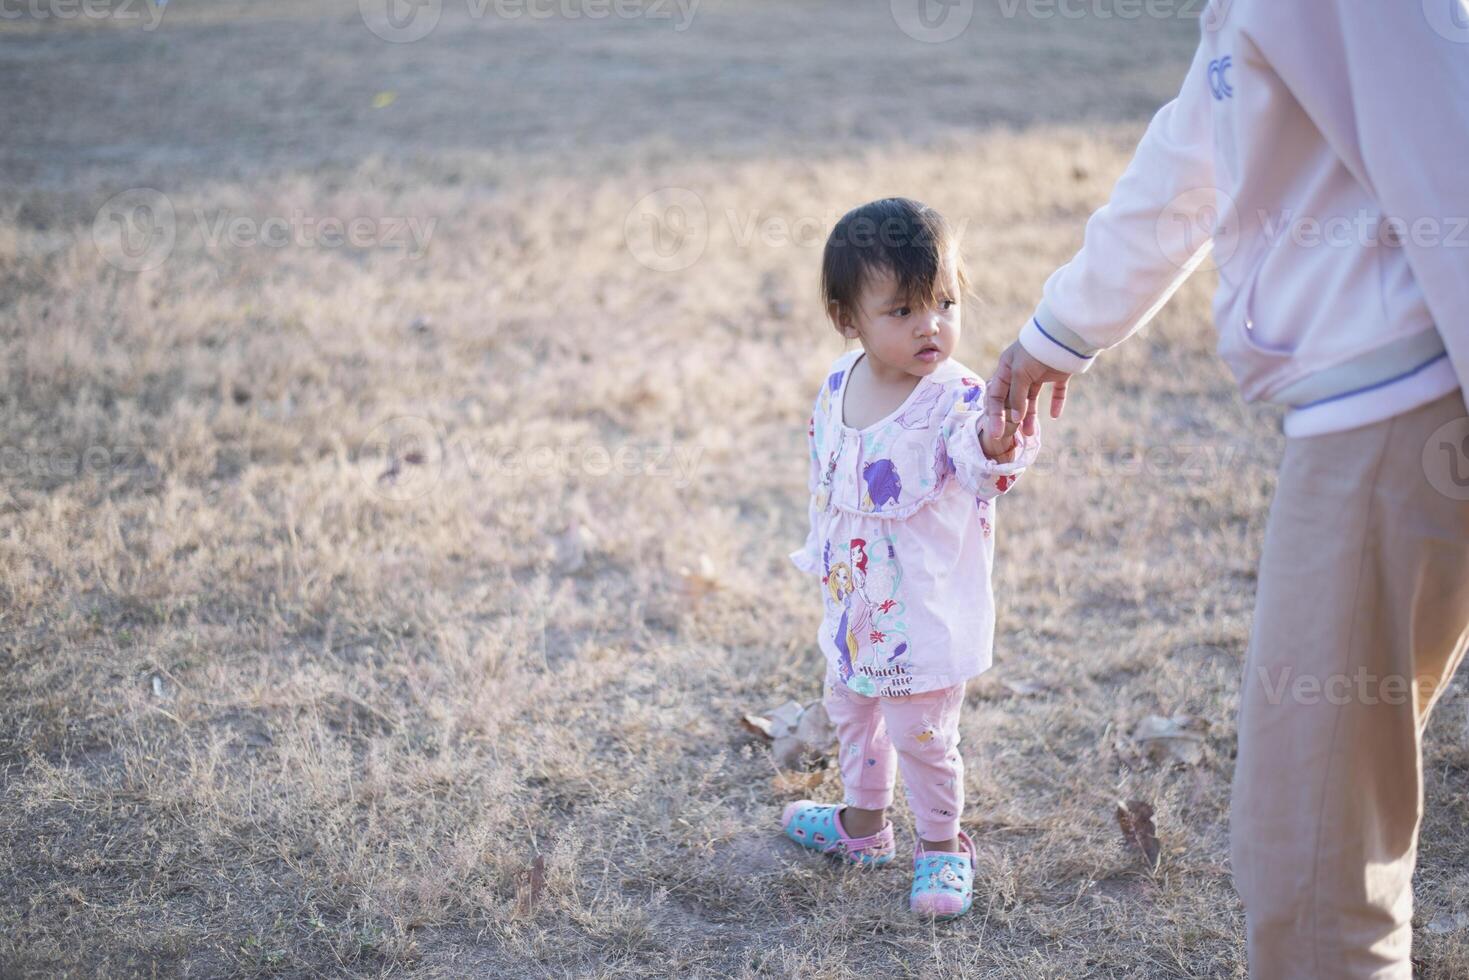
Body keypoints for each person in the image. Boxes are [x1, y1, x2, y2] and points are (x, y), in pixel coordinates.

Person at [982, 2, 1469, 976]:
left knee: (1313, 861)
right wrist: (1055, 332)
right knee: (1336, 812)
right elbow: (1194, 149)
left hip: (1387, 427)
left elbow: (1448, 148)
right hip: (1371, 421)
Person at [781, 197, 1040, 920]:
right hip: (854, 605)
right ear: (848, 319)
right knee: (851, 709)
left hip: (921, 612)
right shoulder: (839, 383)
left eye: (945, 302)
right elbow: (827, 484)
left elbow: (983, 466)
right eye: (901, 310)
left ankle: (941, 845)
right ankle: (863, 826)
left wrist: (997, 437)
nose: (931, 325)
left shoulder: (955, 397)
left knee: (920, 733)